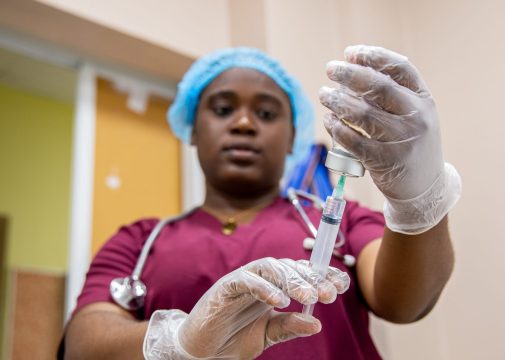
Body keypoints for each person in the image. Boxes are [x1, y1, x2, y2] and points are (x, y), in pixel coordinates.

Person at [61, 45, 461, 359]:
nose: (244, 123)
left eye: (267, 113)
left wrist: (417, 202)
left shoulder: (340, 220)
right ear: (193, 130)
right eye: (222, 109)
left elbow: (406, 303)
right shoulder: (141, 240)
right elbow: (83, 345)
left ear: (292, 138)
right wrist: (178, 342)